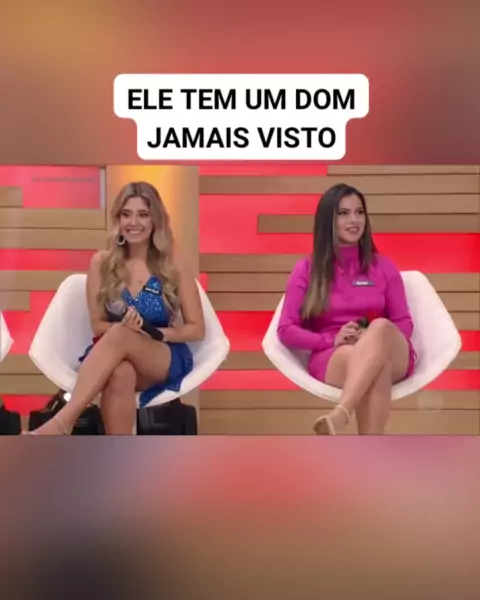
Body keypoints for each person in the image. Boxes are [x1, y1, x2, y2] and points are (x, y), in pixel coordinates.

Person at [28, 181, 205, 435]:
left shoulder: (172, 265)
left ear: (155, 220)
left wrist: (150, 333)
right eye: (126, 214)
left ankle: (62, 422)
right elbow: (97, 324)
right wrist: (124, 330)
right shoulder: (101, 263)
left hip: (160, 353)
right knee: (120, 373)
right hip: (113, 351)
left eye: (143, 214)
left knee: (121, 334)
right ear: (118, 219)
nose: (133, 222)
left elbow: (196, 329)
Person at [277, 183, 416, 435]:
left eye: (359, 212)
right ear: (328, 220)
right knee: (375, 364)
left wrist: (372, 337)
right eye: (343, 213)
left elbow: (404, 323)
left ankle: (342, 412)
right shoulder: (307, 269)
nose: (354, 220)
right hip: (335, 354)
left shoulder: (383, 267)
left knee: (380, 329)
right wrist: (330, 339)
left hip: (391, 348)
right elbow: (286, 329)